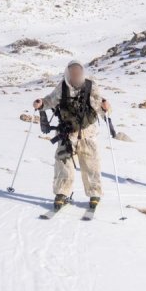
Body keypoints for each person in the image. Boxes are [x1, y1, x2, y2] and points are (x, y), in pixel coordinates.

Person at [32, 60, 110, 211]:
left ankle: (94, 194)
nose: (75, 75)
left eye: (78, 72)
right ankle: (61, 193)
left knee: (91, 164)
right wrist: (41, 103)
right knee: (63, 164)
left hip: (88, 133)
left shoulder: (90, 86)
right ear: (68, 74)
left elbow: (99, 104)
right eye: (73, 73)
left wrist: (105, 108)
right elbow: (50, 100)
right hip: (66, 134)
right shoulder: (62, 87)